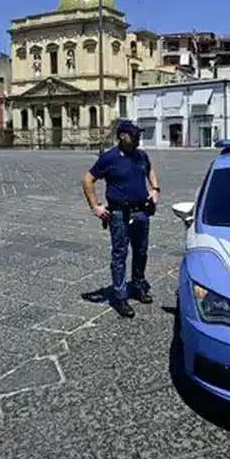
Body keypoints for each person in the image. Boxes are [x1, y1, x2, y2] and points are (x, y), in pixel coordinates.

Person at [82, 119, 160, 318]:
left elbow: (150, 169)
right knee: (119, 256)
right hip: (119, 214)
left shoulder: (141, 155)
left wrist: (155, 189)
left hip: (142, 212)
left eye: (139, 135)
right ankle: (120, 296)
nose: (138, 139)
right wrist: (95, 207)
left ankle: (139, 286)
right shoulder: (110, 158)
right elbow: (88, 179)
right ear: (122, 136)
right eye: (134, 135)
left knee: (141, 253)